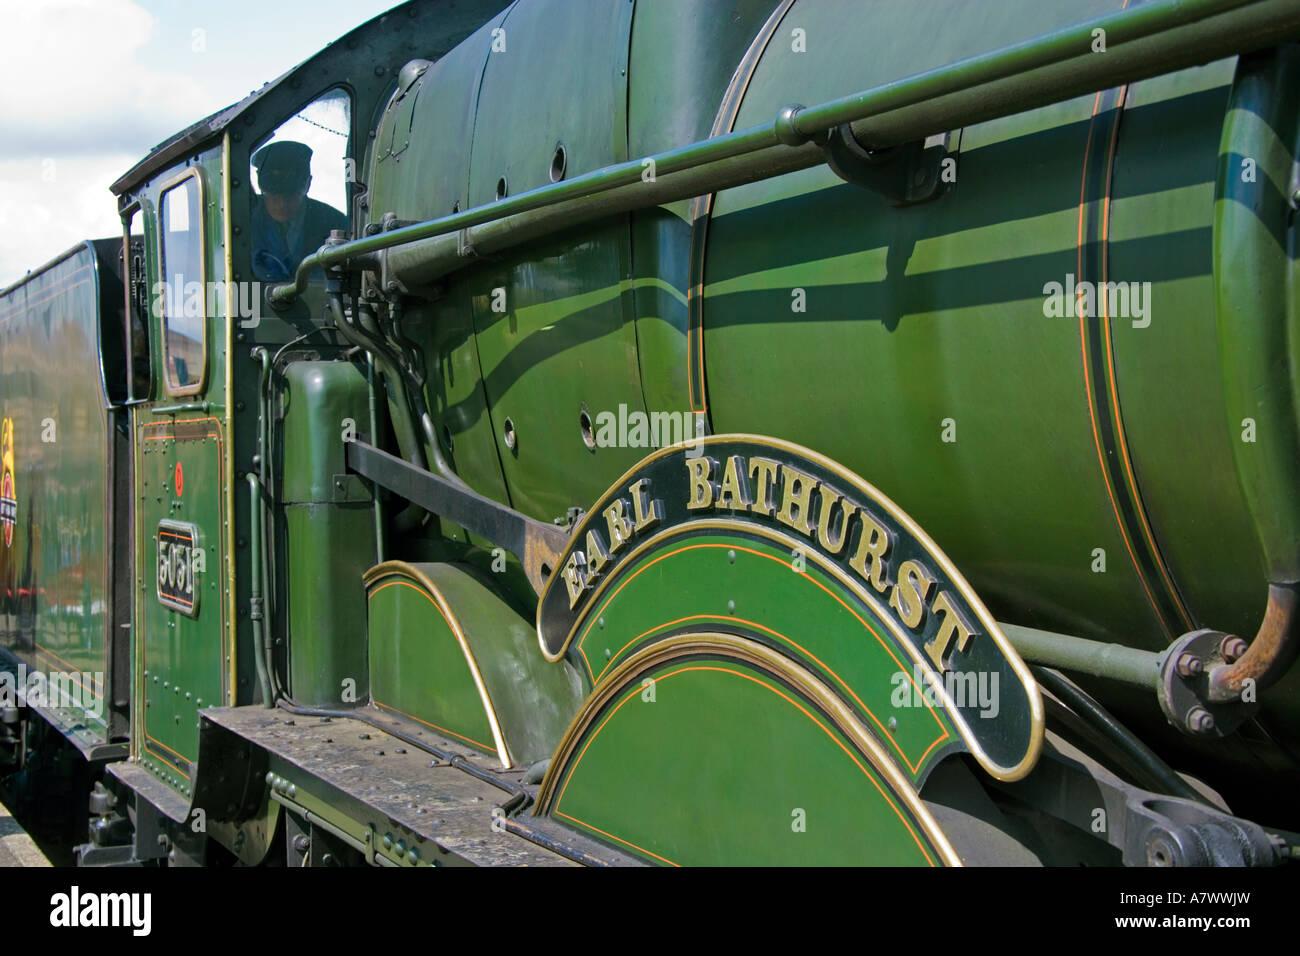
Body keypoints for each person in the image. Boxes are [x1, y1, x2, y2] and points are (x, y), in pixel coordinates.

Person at [250, 141, 348, 282]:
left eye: (291, 196)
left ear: (308, 183)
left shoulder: (335, 222)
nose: (283, 203)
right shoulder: (243, 220)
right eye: (275, 196)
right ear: (261, 186)